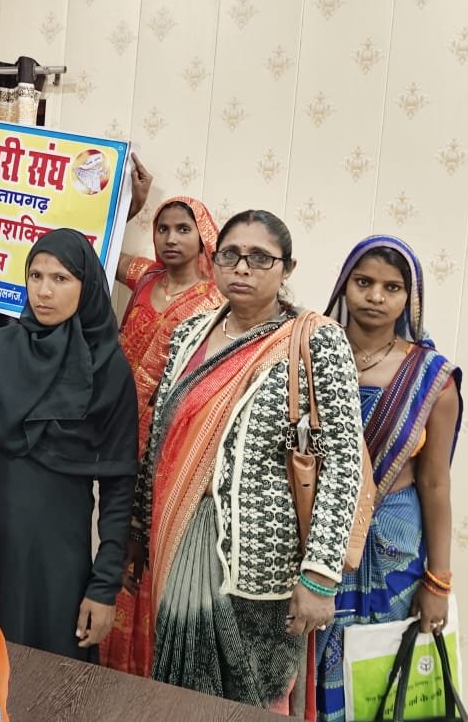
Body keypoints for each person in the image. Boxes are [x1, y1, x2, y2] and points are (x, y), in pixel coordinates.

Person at [130, 209, 363, 711]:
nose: (242, 267)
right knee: (175, 700)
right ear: (214, 261)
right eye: (231, 255)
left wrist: (320, 576)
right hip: (177, 544)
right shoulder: (190, 333)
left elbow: (345, 463)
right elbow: (161, 442)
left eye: (260, 258)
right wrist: (138, 532)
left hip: (262, 570)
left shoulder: (314, 339)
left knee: (251, 703)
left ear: (287, 268)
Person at [0, 229, 138, 660]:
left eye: (61, 278)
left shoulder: (109, 369)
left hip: (54, 554)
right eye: (35, 276)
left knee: (45, 670)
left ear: (87, 285)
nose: (44, 291)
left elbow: (119, 485)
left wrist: (104, 587)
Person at [316, 236, 463, 721]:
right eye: (364, 282)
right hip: (315, 538)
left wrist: (438, 581)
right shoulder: (310, 357)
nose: (375, 297)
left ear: (409, 298)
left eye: (391, 287)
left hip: (391, 546)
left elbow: (435, 484)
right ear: (344, 286)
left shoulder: (432, 379)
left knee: (377, 679)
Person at [100, 196, 224, 676]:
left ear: (204, 237)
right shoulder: (146, 277)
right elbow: (101, 250)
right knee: (113, 536)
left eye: (183, 229)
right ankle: (111, 662)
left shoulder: (216, 302)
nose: (171, 239)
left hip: (169, 447)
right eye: (163, 228)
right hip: (116, 432)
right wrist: (128, 206)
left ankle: (154, 673)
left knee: (154, 550)